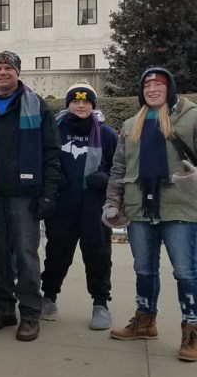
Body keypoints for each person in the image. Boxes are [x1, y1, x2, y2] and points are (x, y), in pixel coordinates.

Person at [104, 67, 197, 361]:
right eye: (147, 84)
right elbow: (119, 168)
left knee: (185, 271)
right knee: (143, 269)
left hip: (180, 206)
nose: (153, 89)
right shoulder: (132, 123)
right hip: (139, 207)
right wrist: (113, 202)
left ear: (170, 87)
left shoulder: (192, 117)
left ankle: (193, 330)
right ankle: (145, 320)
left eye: (159, 84)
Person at [0, 51, 61, 342]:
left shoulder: (38, 107)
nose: (3, 73)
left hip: (25, 196)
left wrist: (48, 193)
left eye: (9, 68)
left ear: (18, 73)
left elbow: (51, 153)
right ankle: (4, 308)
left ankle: (30, 313)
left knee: (26, 256)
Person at [40, 82, 117, 330]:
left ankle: (100, 303)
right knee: (56, 253)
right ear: (68, 104)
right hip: (63, 204)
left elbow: (118, 168)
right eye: (75, 101)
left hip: (94, 205)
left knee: (98, 254)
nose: (80, 105)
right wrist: (54, 178)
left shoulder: (106, 134)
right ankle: (49, 297)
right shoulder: (55, 129)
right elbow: (45, 158)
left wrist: (105, 179)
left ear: (93, 105)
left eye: (86, 101)